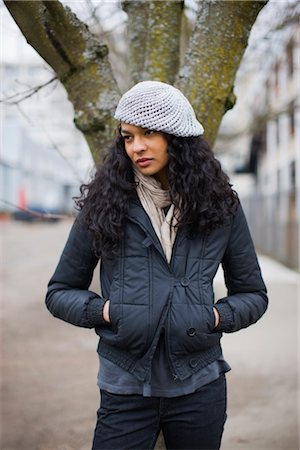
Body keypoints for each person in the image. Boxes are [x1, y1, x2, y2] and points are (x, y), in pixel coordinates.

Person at [46, 81, 268, 450]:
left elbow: (253, 294)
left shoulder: (220, 207)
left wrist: (215, 317)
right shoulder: (104, 204)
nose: (136, 147)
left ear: (176, 136)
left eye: (147, 133)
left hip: (201, 384)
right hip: (125, 385)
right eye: (128, 137)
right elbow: (58, 292)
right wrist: (106, 311)